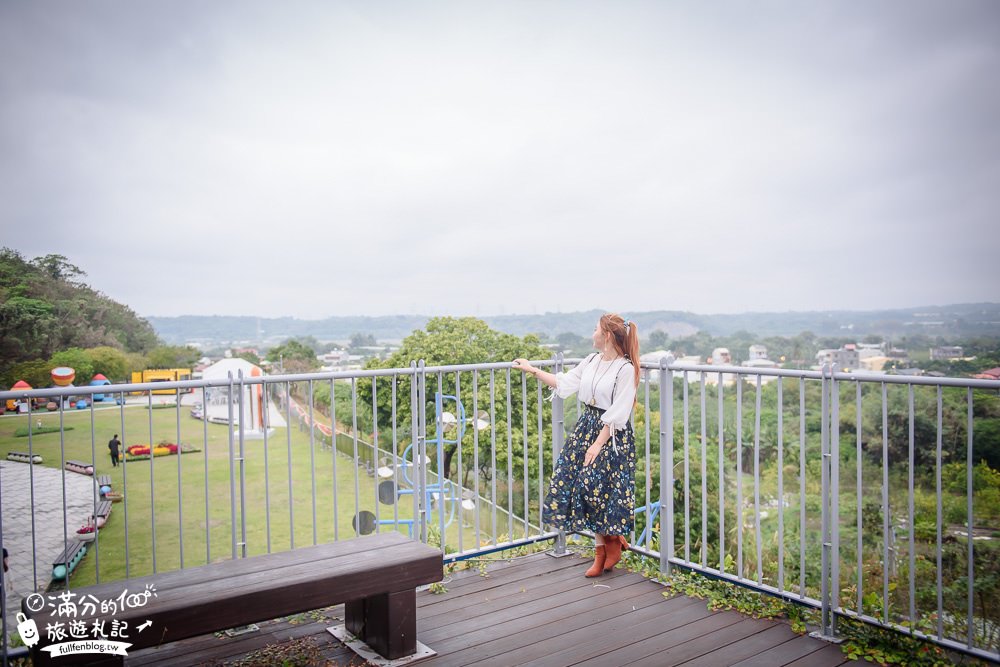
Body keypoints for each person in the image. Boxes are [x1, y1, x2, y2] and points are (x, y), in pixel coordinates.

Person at [513, 313, 640, 577]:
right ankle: (604, 548)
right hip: (587, 426)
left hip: (611, 434)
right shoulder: (592, 361)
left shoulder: (625, 369)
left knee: (594, 487)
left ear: (606, 335)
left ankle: (611, 543)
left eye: (595, 329)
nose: (591, 333)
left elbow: (619, 412)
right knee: (576, 485)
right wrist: (532, 369)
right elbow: (564, 382)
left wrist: (596, 445)